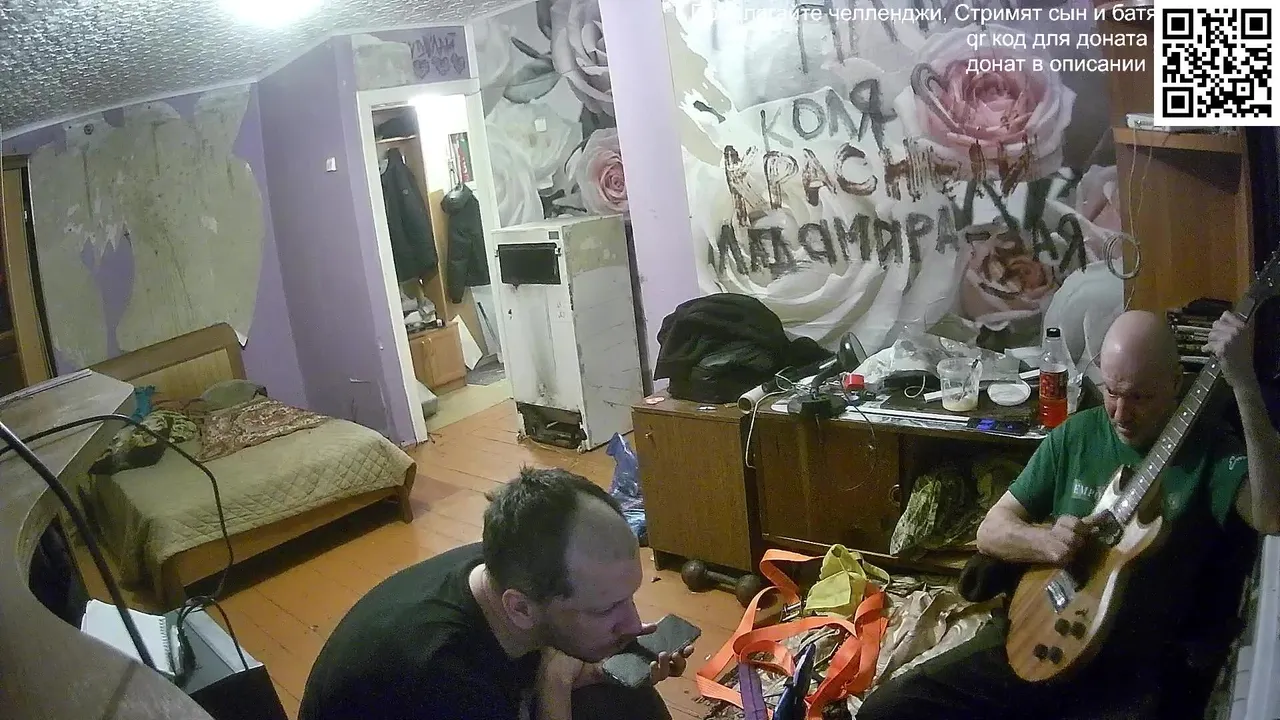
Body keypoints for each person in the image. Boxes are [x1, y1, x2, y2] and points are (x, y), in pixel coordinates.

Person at [858, 310, 1280, 720]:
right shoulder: (1077, 434)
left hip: (1125, 670)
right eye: (1112, 392)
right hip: (1034, 629)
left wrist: (1244, 385)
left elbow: (1272, 515)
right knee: (887, 709)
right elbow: (991, 531)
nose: (1120, 413)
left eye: (1139, 397)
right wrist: (1046, 541)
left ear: (1175, 382)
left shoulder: (1210, 449)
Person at [298, 467, 694, 720]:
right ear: (520, 608)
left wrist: (593, 670)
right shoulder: (441, 677)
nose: (633, 623)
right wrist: (554, 681)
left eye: (629, 596)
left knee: (627, 697)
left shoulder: (514, 564)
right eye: (606, 609)